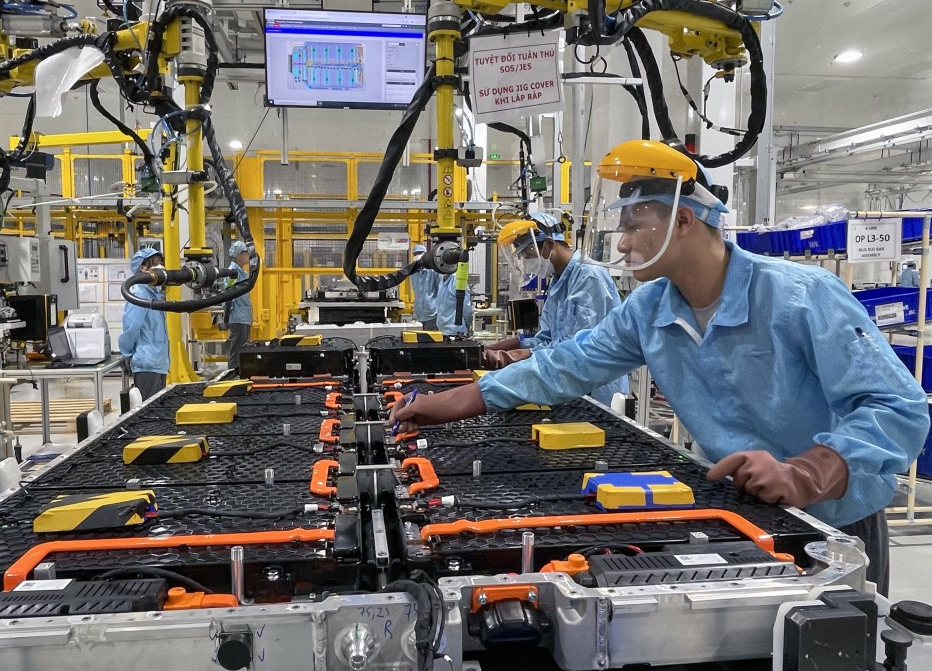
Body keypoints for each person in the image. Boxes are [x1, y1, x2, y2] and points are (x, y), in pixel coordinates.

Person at [389, 139, 929, 595]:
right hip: (744, 511)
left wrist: (805, 472)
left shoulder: (801, 297)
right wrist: (461, 399)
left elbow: (897, 409)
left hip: (832, 522)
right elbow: (565, 364)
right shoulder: (650, 310)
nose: (621, 243)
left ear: (685, 220)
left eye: (635, 226)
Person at [484, 211, 629, 405]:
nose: (526, 262)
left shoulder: (588, 277)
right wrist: (505, 349)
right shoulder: (558, 282)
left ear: (550, 245)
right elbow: (546, 338)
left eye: (528, 253)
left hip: (596, 392)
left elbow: (579, 349)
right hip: (569, 387)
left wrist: (521, 355)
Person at [120, 246, 169, 400]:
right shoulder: (139, 294)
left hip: (158, 363)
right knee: (148, 412)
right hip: (147, 363)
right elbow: (132, 327)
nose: (160, 267)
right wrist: (126, 353)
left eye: (160, 262)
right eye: (154, 263)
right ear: (142, 268)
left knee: (155, 409)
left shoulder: (153, 294)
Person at [225, 241, 253, 371]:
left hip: (243, 317)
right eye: (245, 253)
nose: (248, 255)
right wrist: (226, 319)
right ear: (238, 256)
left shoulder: (241, 272)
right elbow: (228, 295)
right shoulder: (233, 272)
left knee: (242, 352)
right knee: (236, 353)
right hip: (237, 317)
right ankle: (231, 379)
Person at [409, 245, 439, 330]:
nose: (417, 256)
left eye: (420, 253)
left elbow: (441, 290)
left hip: (433, 314)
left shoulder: (433, 271)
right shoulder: (413, 273)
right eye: (415, 254)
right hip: (419, 315)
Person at [435, 271, 473, 336]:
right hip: (442, 330)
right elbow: (439, 307)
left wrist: (467, 326)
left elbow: (466, 309)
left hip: (456, 332)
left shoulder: (457, 281)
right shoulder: (442, 281)